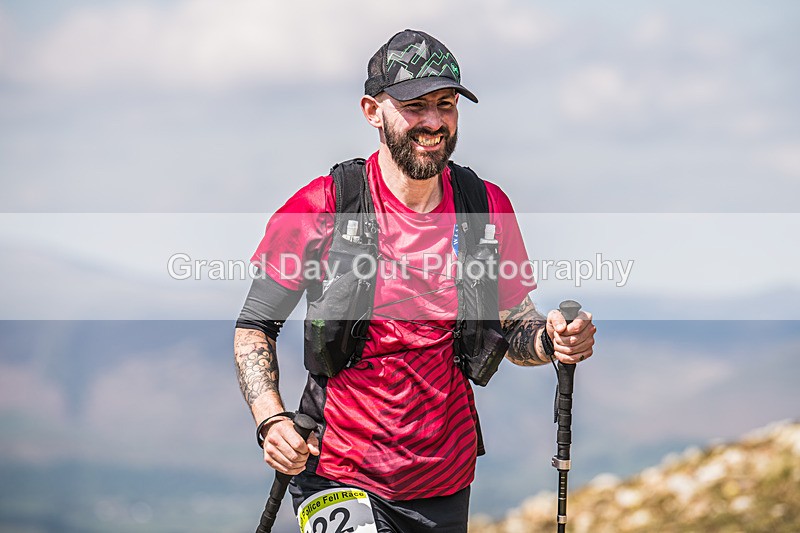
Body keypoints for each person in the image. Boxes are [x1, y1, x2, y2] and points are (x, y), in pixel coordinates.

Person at [234, 29, 596, 533]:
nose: (433, 122)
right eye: (414, 105)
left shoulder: (484, 206)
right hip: (337, 470)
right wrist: (271, 421)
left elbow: (516, 328)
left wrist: (554, 339)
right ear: (371, 111)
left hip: (444, 478)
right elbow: (255, 325)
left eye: (446, 105)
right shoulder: (323, 205)